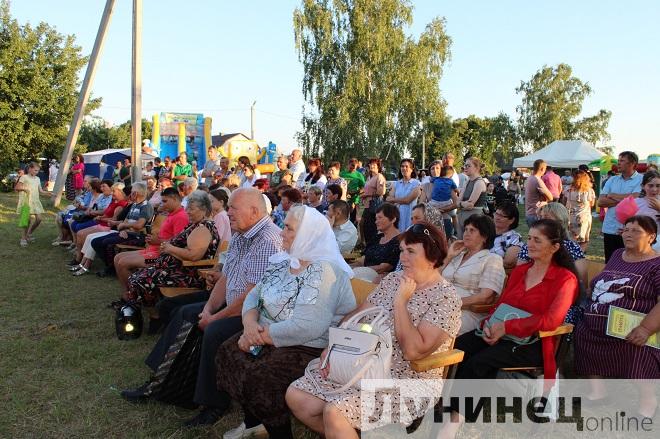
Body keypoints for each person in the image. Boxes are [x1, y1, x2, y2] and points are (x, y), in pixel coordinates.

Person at [121, 188, 283, 428]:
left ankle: (214, 403)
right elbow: (226, 278)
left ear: (254, 211)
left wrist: (215, 317)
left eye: (233, 208)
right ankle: (162, 380)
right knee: (185, 312)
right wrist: (208, 308)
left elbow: (252, 296)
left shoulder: (268, 240)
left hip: (257, 313)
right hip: (236, 302)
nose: (228, 212)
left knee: (214, 331)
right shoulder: (242, 232)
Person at [287, 222, 462, 435]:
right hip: (363, 365)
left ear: (433, 257)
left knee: (335, 412)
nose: (402, 257)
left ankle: (342, 430)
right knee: (297, 397)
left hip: (409, 381)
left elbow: (413, 351)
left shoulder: (445, 297)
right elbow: (357, 316)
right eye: (402, 251)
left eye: (411, 251)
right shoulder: (393, 280)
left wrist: (400, 303)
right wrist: (334, 349)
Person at [217, 206, 356, 439]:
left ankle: (279, 433)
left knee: (261, 376)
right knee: (227, 352)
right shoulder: (285, 261)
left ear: (307, 235)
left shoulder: (323, 271)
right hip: (269, 333)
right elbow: (254, 296)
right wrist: (250, 325)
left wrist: (256, 336)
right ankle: (254, 422)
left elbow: (308, 326)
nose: (281, 232)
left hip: (311, 346)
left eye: (289, 228)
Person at [439, 219, 579, 438]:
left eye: (537, 240)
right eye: (529, 238)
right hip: (502, 331)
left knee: (479, 362)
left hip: (534, 342)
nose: (529, 244)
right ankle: (442, 401)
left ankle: (454, 423)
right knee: (458, 347)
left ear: (554, 247)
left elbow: (551, 320)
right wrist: (489, 324)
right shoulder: (521, 271)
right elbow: (501, 304)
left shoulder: (565, 279)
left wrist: (507, 327)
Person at [573, 215, 659, 418]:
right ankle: (599, 392)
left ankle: (648, 401)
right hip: (596, 320)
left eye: (635, 231)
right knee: (583, 333)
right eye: (626, 230)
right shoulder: (618, 254)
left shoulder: (656, 264)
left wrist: (645, 328)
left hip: (634, 325)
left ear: (651, 237)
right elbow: (605, 277)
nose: (628, 234)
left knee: (637, 349)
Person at [122, 190, 220, 308]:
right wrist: (168, 246)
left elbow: (194, 256)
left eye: (191, 209)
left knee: (140, 280)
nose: (187, 211)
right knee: (135, 276)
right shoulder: (195, 225)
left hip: (188, 273)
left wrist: (170, 248)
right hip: (174, 267)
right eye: (187, 208)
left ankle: (154, 315)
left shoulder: (204, 228)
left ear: (204, 209)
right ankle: (140, 310)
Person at [114, 187, 189, 294]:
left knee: (123, 263)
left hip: (162, 256)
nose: (162, 204)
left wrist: (158, 241)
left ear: (175, 199)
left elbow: (179, 243)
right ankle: (129, 293)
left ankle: (130, 296)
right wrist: (154, 239)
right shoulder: (171, 214)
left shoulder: (181, 217)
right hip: (153, 249)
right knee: (118, 257)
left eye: (165, 201)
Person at [441, 214, 505, 334]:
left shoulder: (492, 259)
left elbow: (485, 297)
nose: (466, 233)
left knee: (427, 324)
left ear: (484, 237)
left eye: (472, 230)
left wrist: (453, 303)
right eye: (465, 229)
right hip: (438, 304)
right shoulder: (457, 256)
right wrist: (449, 256)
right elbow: (433, 278)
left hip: (467, 312)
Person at [66, 183, 129, 274]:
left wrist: (100, 217)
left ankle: (83, 263)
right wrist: (100, 216)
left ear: (120, 192)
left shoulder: (121, 204)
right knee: (82, 234)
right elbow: (107, 213)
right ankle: (81, 261)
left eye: (114, 191)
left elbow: (113, 220)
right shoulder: (114, 201)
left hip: (107, 227)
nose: (112, 193)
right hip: (102, 224)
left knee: (86, 236)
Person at [598, 152, 644, 262]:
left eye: (622, 161)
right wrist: (627, 199)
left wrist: (612, 195)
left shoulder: (642, 180)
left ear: (632, 163)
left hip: (631, 229)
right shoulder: (612, 179)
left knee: (629, 261)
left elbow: (636, 199)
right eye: (618, 161)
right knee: (610, 261)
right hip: (611, 228)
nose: (618, 163)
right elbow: (601, 201)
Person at [351, 203, 401, 282]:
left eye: (380, 218)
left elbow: (383, 268)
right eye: (376, 218)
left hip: (379, 281)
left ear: (393, 219)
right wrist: (348, 267)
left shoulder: (399, 241)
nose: (376, 222)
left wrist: (358, 270)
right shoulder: (377, 238)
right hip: (362, 275)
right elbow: (363, 260)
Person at [15, 162, 53, 247]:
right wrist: (25, 189)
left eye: (38, 171)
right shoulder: (24, 177)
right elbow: (17, 187)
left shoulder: (38, 179)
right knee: (26, 220)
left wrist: (49, 193)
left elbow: (41, 191)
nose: (37, 172)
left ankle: (29, 233)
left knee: (39, 219)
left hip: (35, 201)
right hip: (26, 201)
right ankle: (23, 238)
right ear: (30, 169)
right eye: (35, 170)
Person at [387, 158, 422, 233]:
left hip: (409, 216)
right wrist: (395, 200)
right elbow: (388, 199)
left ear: (412, 169)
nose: (404, 168)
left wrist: (394, 199)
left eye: (406, 166)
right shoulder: (396, 184)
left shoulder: (416, 183)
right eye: (402, 166)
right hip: (397, 216)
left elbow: (408, 200)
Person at [456, 157, 487, 239]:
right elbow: (457, 202)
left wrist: (460, 204)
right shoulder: (467, 181)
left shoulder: (479, 182)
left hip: (474, 220)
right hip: (462, 218)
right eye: (465, 165)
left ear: (476, 168)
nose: (465, 167)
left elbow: (470, 205)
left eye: (468, 166)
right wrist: (462, 204)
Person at [565, 170, 596, 252]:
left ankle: (572, 257)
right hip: (583, 218)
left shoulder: (568, 189)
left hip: (570, 217)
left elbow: (564, 201)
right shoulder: (589, 191)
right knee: (583, 241)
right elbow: (592, 204)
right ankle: (580, 257)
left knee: (571, 240)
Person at [359, 158, 387, 245]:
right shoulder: (369, 177)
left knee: (371, 227)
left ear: (378, 167)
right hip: (367, 205)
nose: (372, 166)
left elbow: (382, 192)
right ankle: (366, 244)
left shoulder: (379, 177)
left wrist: (367, 195)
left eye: (374, 165)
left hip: (375, 205)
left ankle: (373, 245)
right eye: (370, 164)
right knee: (364, 225)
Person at [428, 164, 459, 237]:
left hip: (434, 202)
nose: (435, 170)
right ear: (451, 175)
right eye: (433, 168)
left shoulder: (436, 179)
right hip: (446, 203)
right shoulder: (451, 182)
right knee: (454, 215)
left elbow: (430, 180)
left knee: (427, 207)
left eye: (437, 168)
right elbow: (457, 191)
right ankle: (457, 231)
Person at [491, 201, 522, 269]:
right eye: (496, 214)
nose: (497, 217)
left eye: (501, 216)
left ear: (511, 220)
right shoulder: (486, 232)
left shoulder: (514, 238)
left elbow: (508, 263)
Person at [635, 170, 660, 252]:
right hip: (639, 243)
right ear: (643, 186)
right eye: (650, 186)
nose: (654, 189)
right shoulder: (635, 203)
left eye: (658, 186)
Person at [524, 159, 554, 226]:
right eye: (545, 169)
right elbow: (551, 197)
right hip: (536, 214)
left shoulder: (529, 178)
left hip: (529, 213)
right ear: (542, 168)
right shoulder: (538, 180)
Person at [340, 158, 366, 223]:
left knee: (351, 220)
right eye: (352, 166)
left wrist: (356, 192)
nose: (353, 168)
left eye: (355, 167)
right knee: (342, 218)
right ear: (348, 165)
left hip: (353, 199)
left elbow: (364, 188)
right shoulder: (342, 174)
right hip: (342, 198)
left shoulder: (359, 175)